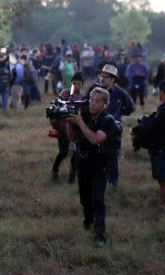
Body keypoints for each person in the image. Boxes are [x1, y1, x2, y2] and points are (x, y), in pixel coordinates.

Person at [67, 87, 122, 247]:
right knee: (85, 199)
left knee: (98, 200)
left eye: (97, 101)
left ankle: (100, 235)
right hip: (83, 164)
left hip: (101, 166)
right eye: (91, 99)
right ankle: (88, 222)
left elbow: (95, 139)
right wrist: (69, 122)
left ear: (105, 104)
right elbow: (71, 137)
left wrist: (80, 122)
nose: (92, 103)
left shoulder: (108, 120)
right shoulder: (84, 117)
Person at [131, 79, 165, 209]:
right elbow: (154, 121)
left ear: (161, 91)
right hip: (163, 148)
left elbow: (152, 126)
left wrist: (137, 130)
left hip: (163, 149)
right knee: (163, 180)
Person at [85, 63, 135, 187]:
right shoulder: (93, 89)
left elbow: (131, 107)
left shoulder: (119, 92)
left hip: (112, 130)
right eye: (101, 75)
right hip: (95, 128)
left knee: (111, 158)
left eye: (106, 77)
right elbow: (84, 102)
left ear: (113, 79)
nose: (102, 78)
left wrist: (119, 114)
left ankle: (113, 185)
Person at [51, 72, 85, 183]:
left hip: (76, 130)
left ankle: (72, 177)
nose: (76, 85)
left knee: (75, 154)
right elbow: (55, 107)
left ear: (82, 85)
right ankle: (55, 170)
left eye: (79, 83)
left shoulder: (83, 97)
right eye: (74, 83)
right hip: (62, 129)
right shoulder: (65, 93)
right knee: (63, 152)